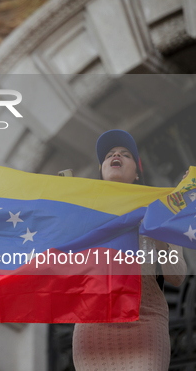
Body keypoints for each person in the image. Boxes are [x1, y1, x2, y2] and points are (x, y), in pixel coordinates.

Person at [72, 129, 187, 370]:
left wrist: (157, 232)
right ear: (101, 171)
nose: (116, 156)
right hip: (93, 326)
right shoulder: (82, 214)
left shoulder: (158, 210)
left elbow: (177, 276)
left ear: (137, 173)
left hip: (145, 323)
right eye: (109, 155)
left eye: (125, 154)